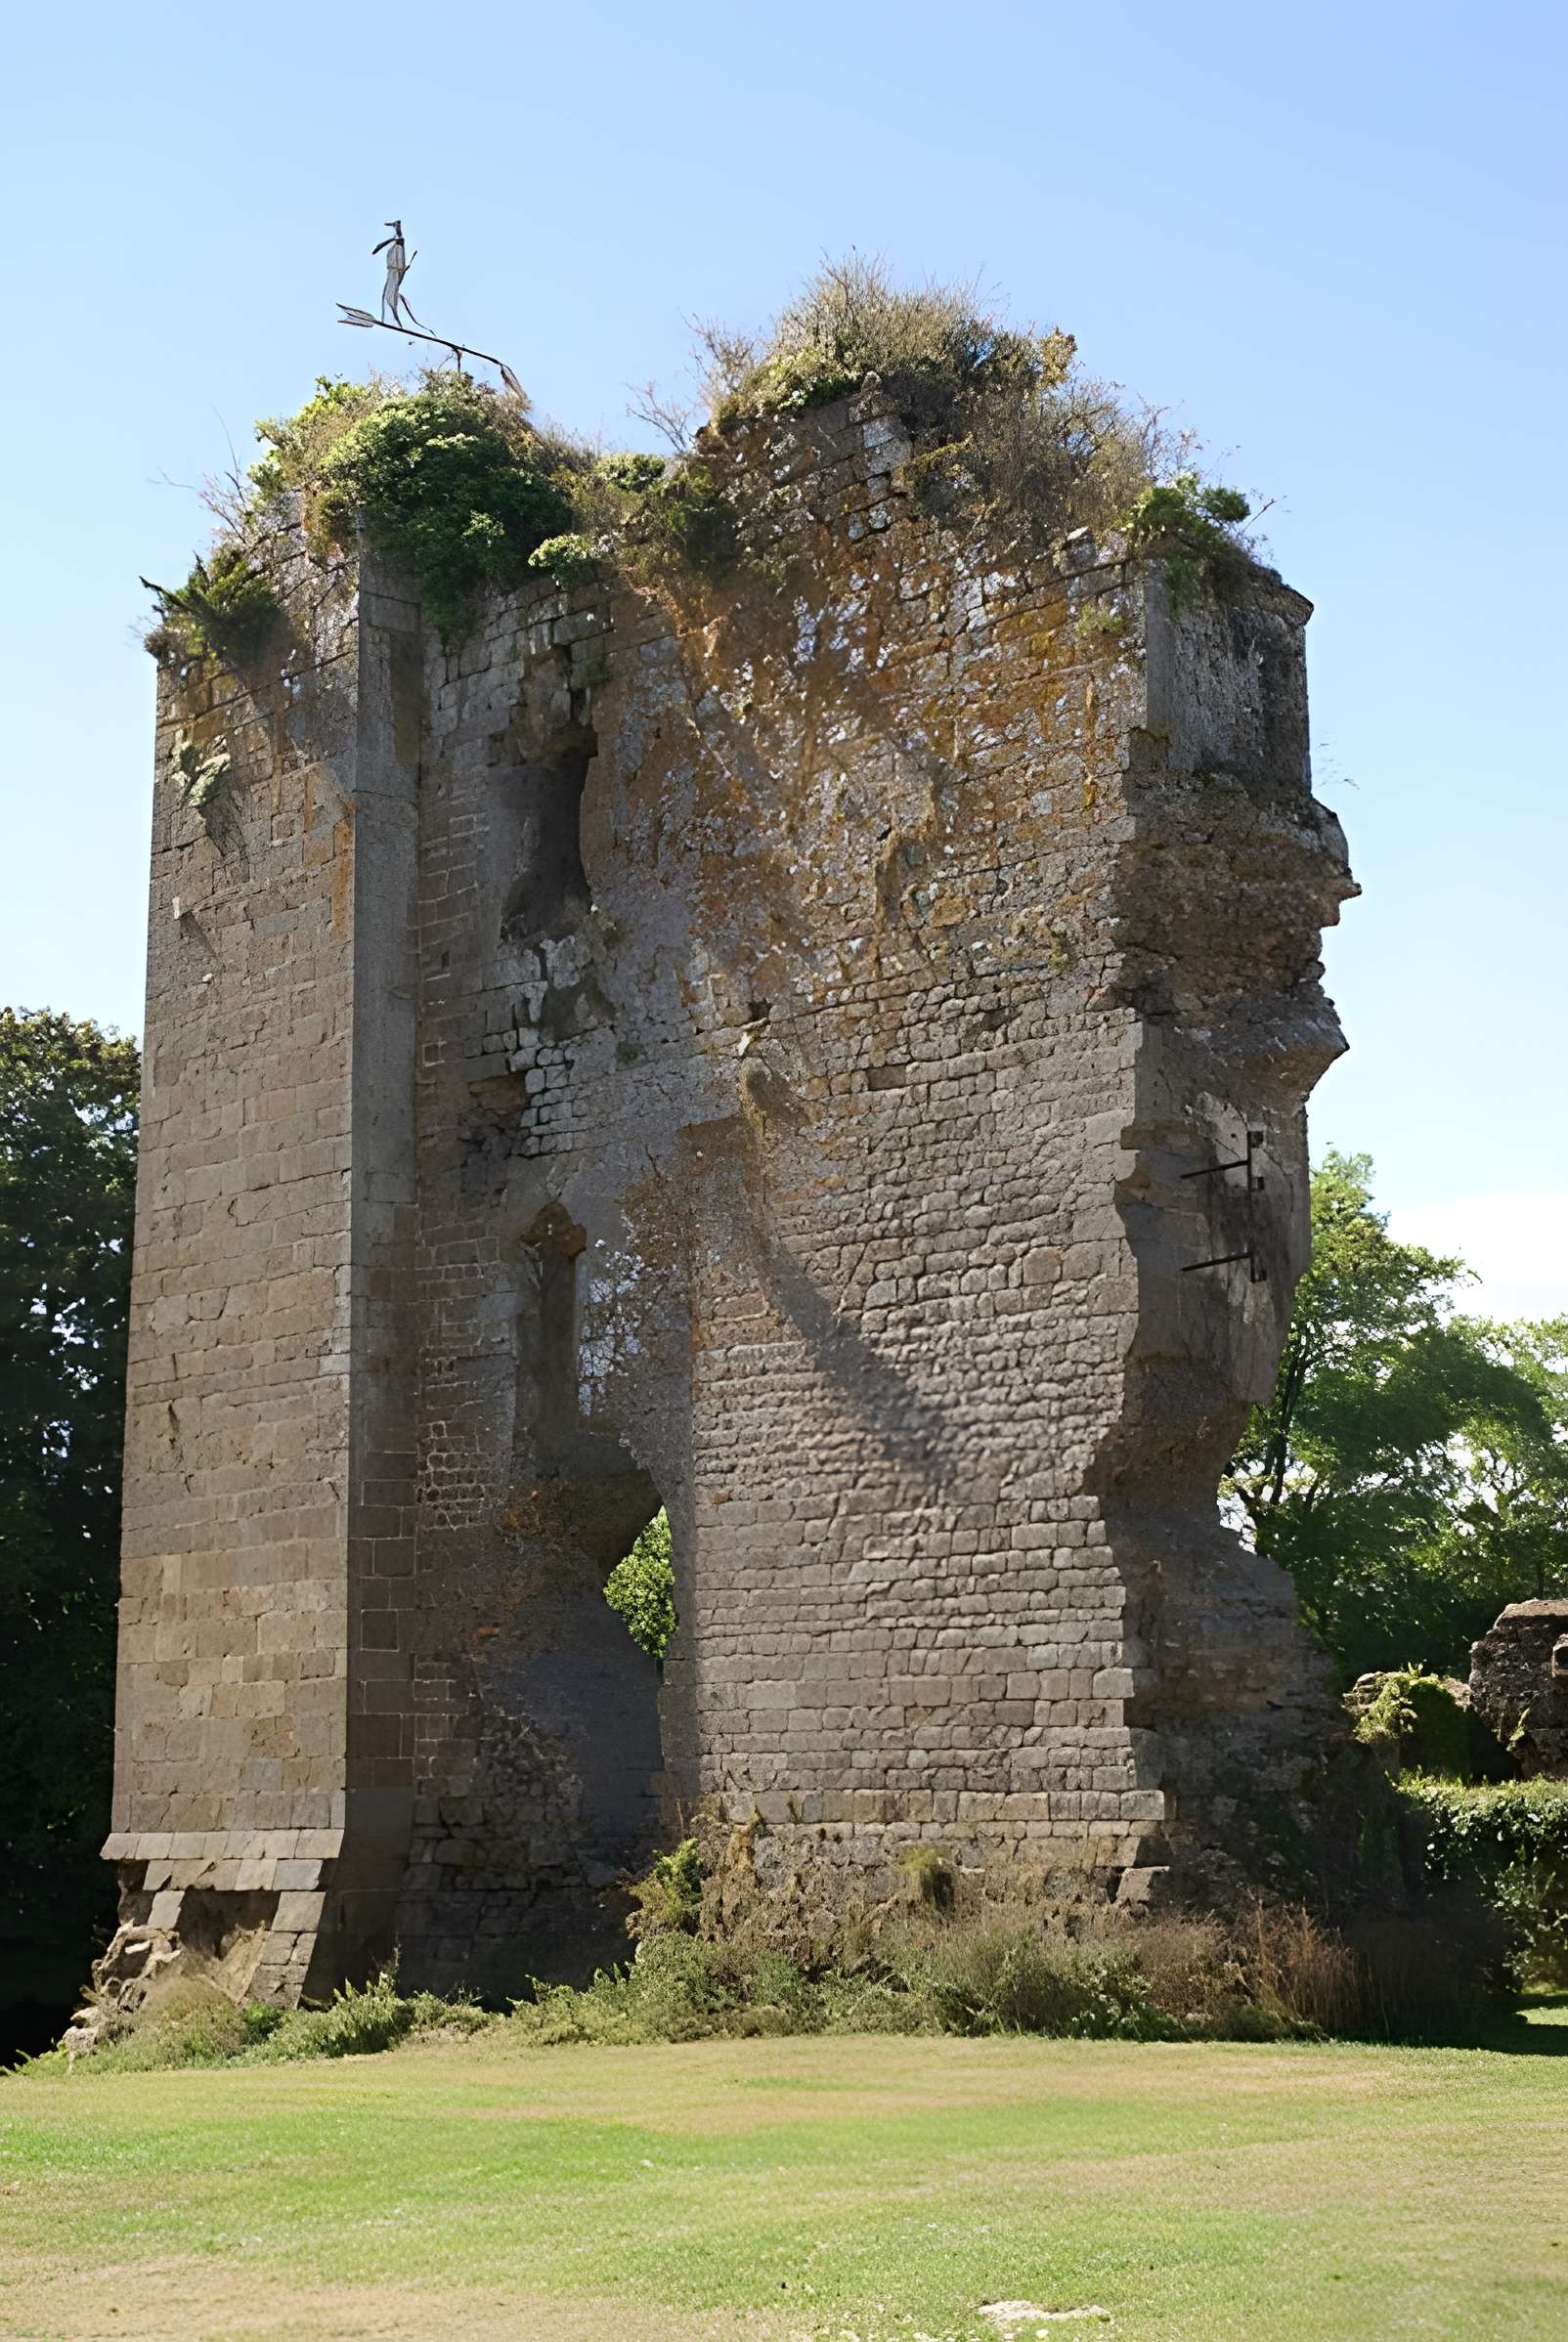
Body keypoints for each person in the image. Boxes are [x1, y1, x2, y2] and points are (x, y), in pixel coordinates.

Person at [373, 221, 420, 326]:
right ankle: (391, 319)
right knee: (390, 294)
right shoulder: (398, 246)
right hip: (396, 269)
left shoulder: (396, 247)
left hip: (395, 270)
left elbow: (394, 244)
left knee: (389, 295)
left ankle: (391, 320)